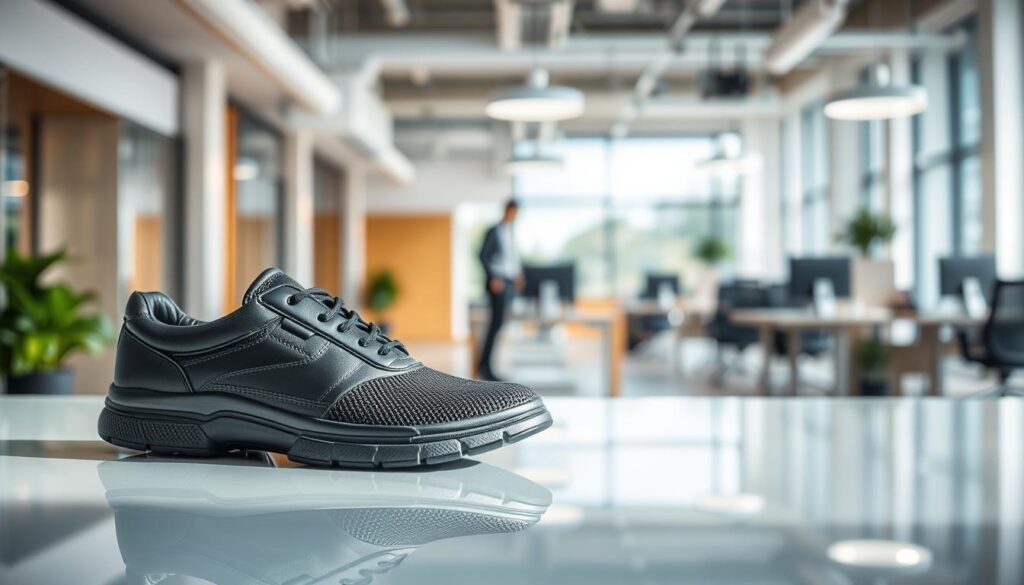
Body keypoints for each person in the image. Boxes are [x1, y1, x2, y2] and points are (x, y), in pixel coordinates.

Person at [477, 199, 524, 381]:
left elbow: (509, 259)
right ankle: (484, 367)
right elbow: (483, 255)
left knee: (499, 325)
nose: (513, 216)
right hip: (498, 284)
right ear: (506, 211)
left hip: (509, 283)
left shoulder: (511, 233)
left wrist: (517, 275)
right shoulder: (494, 231)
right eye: (512, 212)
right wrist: (493, 277)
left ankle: (485, 365)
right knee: (494, 326)